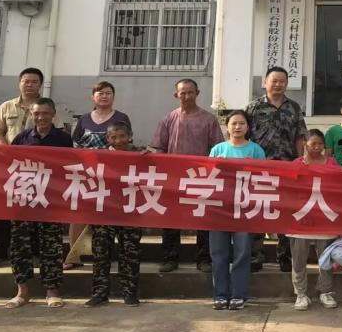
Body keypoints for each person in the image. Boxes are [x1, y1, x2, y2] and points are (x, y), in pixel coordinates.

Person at [150, 78, 224, 274]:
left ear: (197, 93)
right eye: (183, 93)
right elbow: (159, 148)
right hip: (173, 178)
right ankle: (170, 257)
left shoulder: (209, 120)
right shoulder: (168, 119)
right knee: (171, 218)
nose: (187, 96)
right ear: (176, 95)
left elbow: (217, 150)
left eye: (191, 92)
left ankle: (204, 258)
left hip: (201, 177)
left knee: (203, 219)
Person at [6, 97, 74, 309]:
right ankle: (22, 291)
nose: (41, 117)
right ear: (31, 115)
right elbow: (8, 164)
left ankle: (52, 290)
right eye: (37, 114)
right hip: (24, 200)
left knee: (51, 246)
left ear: (53, 115)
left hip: (51, 201)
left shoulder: (63, 139)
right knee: (19, 247)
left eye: (45, 113)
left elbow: (69, 167)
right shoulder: (22, 137)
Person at [0, 66, 45, 269]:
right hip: (8, 166)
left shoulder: (45, 107)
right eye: (26, 81)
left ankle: (34, 253)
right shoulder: (7, 106)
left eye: (34, 81)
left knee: (34, 210)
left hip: (34, 167)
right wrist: (7, 151)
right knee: (3, 209)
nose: (29, 85)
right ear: (20, 83)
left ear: (40, 85)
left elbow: (54, 132)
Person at [246, 66, 308, 272]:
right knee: (258, 210)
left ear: (287, 84)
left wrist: (301, 161)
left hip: (287, 167)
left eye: (282, 81)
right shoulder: (253, 107)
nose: (278, 84)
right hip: (260, 168)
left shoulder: (294, 108)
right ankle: (255, 256)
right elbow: (243, 136)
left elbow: (300, 136)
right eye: (274, 80)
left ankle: (285, 256)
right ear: (265, 82)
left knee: (286, 210)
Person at [65, 80, 133, 269]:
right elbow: (75, 146)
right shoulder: (84, 119)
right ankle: (73, 257)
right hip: (86, 174)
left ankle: (109, 259)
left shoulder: (121, 117)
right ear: (93, 97)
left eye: (108, 93)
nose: (104, 96)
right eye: (100, 93)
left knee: (109, 218)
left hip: (113, 176)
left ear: (113, 96)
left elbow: (126, 144)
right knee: (78, 215)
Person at [208, 109, 267, 310]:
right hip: (219, 208)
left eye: (242, 123)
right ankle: (220, 295)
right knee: (219, 253)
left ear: (248, 127)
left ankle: (239, 295)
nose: (237, 127)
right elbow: (209, 178)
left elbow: (263, 179)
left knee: (242, 253)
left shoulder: (256, 151)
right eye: (233, 123)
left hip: (244, 208)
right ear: (227, 127)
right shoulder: (218, 149)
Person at [85, 121, 142, 307]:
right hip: (104, 212)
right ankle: (100, 293)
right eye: (113, 137)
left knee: (130, 254)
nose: (118, 141)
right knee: (101, 254)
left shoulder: (141, 155)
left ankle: (130, 293)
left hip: (130, 211)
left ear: (130, 136)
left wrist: (150, 158)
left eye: (122, 136)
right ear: (107, 138)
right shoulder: (99, 157)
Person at [289, 129, 340, 310]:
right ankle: (301, 293)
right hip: (301, 216)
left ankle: (325, 291)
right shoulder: (296, 164)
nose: (317, 147)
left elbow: (340, 183)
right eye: (313, 144)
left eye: (320, 144)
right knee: (298, 258)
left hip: (324, 216)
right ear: (305, 144)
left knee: (325, 257)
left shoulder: (332, 162)